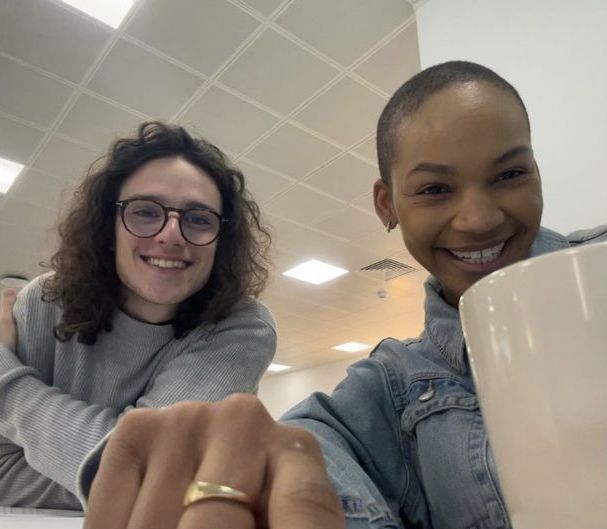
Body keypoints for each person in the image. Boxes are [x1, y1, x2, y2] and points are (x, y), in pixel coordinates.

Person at [83, 62, 607, 529]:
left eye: (511, 174)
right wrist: (257, 468)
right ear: (387, 204)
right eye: (434, 189)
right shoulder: (387, 391)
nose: (479, 218)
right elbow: (307, 445)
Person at [0, 121, 277, 512]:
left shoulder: (243, 328)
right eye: (146, 211)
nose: (171, 233)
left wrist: (6, 384)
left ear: (222, 241)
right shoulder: (44, 302)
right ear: (109, 226)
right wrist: (129, 481)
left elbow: (150, 476)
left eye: (198, 218)